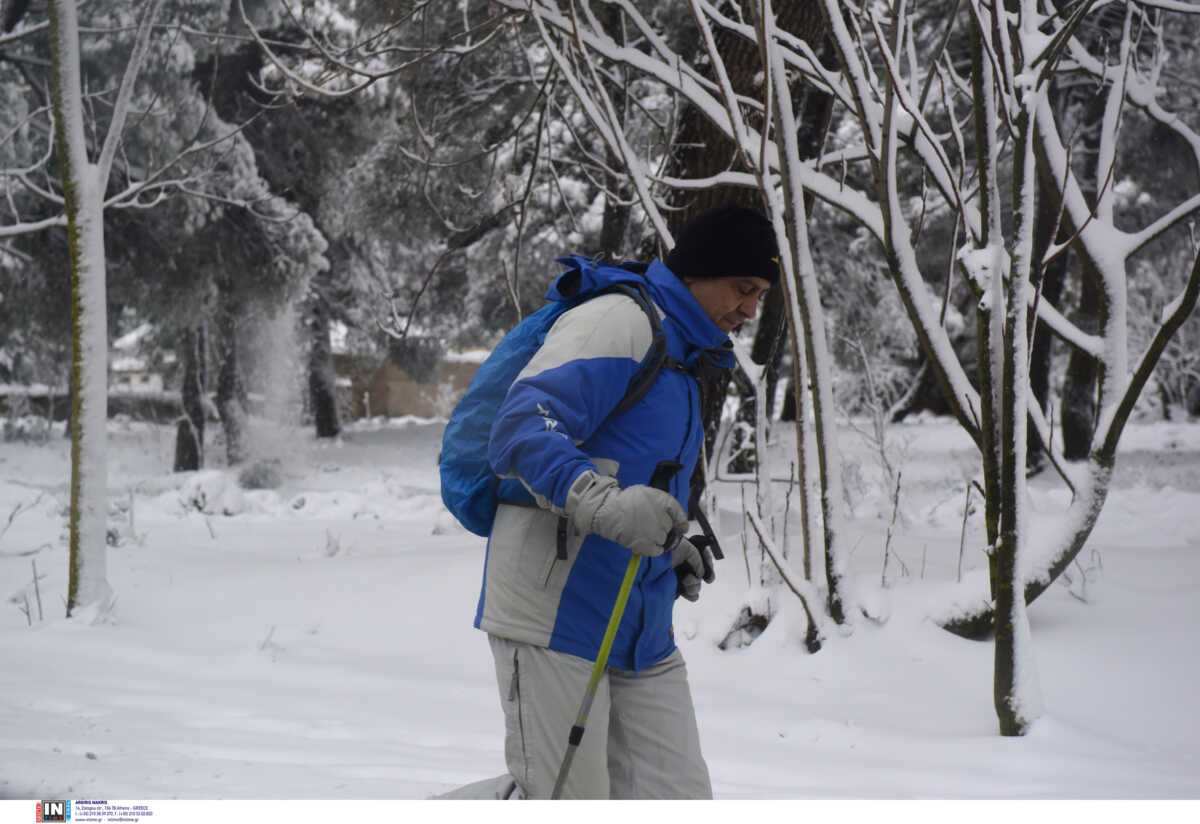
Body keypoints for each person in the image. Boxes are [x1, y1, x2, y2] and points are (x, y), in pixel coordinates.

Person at [476, 202, 778, 799]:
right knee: (564, 800)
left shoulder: (688, 356)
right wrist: (607, 505)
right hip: (555, 614)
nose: (749, 309)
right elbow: (522, 426)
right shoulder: (621, 321)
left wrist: (669, 547)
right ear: (699, 272)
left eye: (760, 295)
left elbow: (639, 478)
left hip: (638, 626)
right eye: (743, 289)